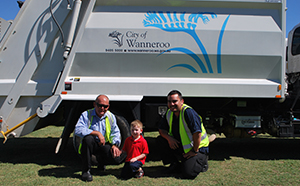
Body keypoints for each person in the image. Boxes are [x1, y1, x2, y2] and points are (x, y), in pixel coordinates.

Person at [156, 90, 210, 179]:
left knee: (188, 174)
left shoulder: (188, 112)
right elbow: (161, 130)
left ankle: (202, 163)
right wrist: (169, 139)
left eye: (174, 101)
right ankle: (174, 165)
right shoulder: (169, 113)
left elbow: (197, 134)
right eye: (169, 101)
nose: (172, 104)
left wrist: (194, 151)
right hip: (183, 147)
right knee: (160, 140)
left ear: (182, 101)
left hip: (198, 148)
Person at [74, 94, 126, 182]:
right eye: (100, 105)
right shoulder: (86, 114)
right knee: (88, 140)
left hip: (103, 145)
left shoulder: (110, 116)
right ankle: (86, 171)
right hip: (90, 145)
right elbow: (77, 130)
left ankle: (101, 164)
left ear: (108, 106)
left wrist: (115, 145)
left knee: (117, 159)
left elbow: (115, 132)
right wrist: (96, 133)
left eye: (105, 106)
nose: (102, 108)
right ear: (94, 104)